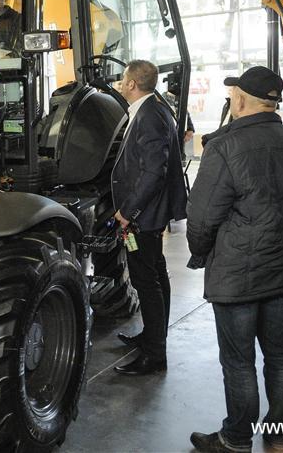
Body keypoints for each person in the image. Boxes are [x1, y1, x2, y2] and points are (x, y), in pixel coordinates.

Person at [185, 66, 283, 453]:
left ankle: (236, 439)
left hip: (237, 276)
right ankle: (279, 438)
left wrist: (201, 253)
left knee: (239, 362)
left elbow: (201, 218)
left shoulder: (224, 148)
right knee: (280, 356)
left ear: (239, 100)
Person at [111, 60, 187, 376]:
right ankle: (154, 337)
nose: (120, 82)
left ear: (131, 84)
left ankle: (155, 354)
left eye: (123, 78)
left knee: (146, 280)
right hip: (150, 212)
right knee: (155, 274)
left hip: (144, 214)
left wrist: (128, 211)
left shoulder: (150, 116)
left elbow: (154, 171)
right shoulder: (152, 109)